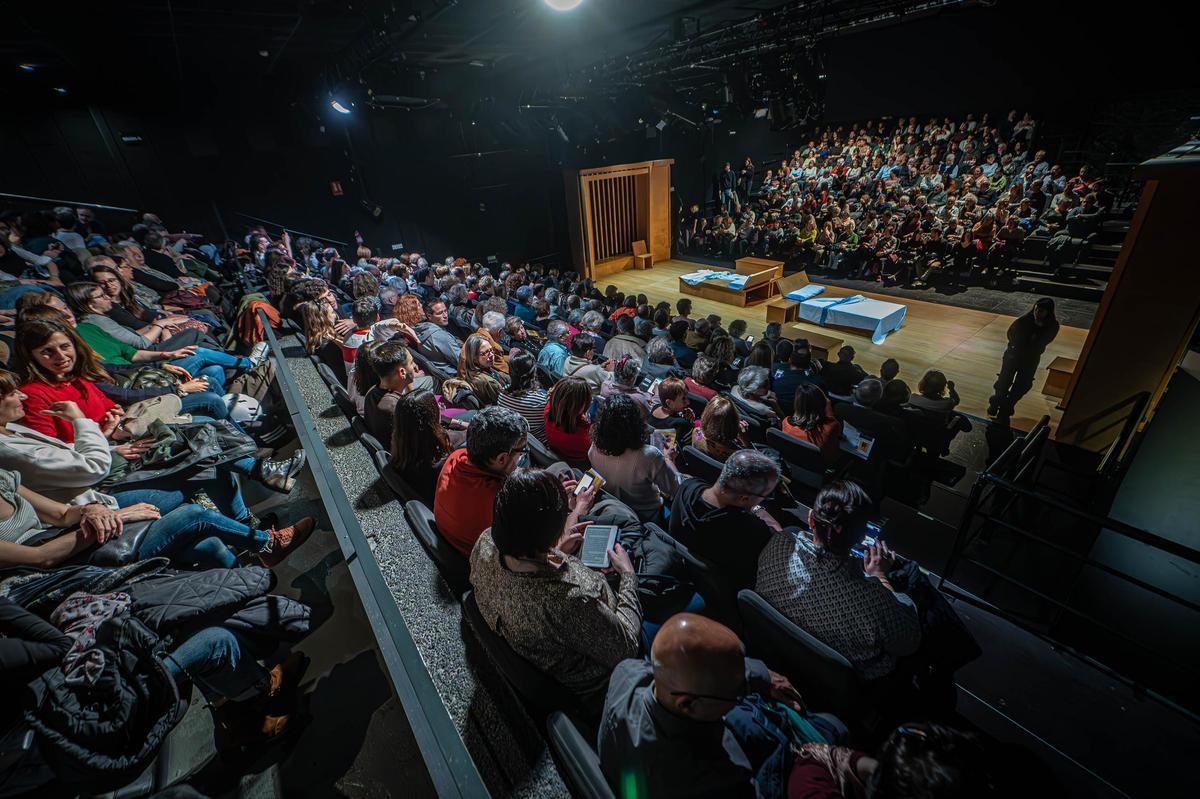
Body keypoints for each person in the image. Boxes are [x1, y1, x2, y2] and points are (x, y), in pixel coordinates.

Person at [469, 467, 633, 712]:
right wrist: (629, 577)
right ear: (554, 531)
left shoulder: (484, 542)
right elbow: (626, 647)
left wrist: (559, 553)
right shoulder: (568, 600)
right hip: (604, 681)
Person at [598, 613, 811, 799]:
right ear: (688, 704)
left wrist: (759, 676)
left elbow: (682, 664)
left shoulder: (624, 674)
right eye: (735, 695)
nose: (740, 697)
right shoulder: (716, 779)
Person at [757, 480, 920, 681]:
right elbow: (909, 643)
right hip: (838, 688)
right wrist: (879, 575)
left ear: (810, 519)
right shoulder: (874, 599)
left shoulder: (779, 544)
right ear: (861, 538)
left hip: (774, 657)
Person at [669, 450, 784, 591]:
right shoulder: (751, 530)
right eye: (767, 495)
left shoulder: (687, 488)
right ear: (744, 498)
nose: (766, 498)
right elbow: (777, 534)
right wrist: (758, 509)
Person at [433, 406, 528, 556]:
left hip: (453, 545)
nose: (522, 457)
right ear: (501, 458)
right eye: (522, 451)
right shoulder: (504, 499)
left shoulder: (455, 457)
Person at [589, 395, 682, 523]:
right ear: (635, 423)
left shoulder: (595, 444)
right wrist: (668, 459)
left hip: (613, 507)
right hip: (647, 515)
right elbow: (674, 489)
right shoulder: (650, 455)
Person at [988, 298, 1059, 422]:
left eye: (1041, 311)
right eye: (1036, 309)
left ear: (1048, 312)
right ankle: (996, 404)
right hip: (1013, 356)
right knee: (1003, 382)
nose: (1037, 312)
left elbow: (1043, 341)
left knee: (1022, 386)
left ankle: (1004, 408)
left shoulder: (1052, 325)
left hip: (1030, 359)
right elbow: (1011, 335)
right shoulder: (1024, 321)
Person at [389, 389, 454, 502]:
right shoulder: (439, 463)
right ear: (432, 417)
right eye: (436, 405)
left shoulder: (401, 450)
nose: (439, 407)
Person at [363, 340, 415, 442]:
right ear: (402, 372)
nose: (414, 367)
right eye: (411, 362)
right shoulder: (399, 408)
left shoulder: (371, 393)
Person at [495, 352, 549, 444]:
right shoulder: (541, 400)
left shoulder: (502, 394)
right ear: (533, 372)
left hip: (515, 440)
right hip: (538, 443)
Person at [782, 384, 843, 463]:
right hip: (824, 465)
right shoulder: (831, 426)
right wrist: (828, 407)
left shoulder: (786, 422)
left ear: (797, 403)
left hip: (797, 463)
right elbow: (833, 454)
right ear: (823, 403)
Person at [543, 376, 593, 464]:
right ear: (579, 407)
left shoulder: (547, 411)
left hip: (559, 456)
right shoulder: (585, 436)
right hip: (579, 465)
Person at [693, 395, 750, 463]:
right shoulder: (737, 456)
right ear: (734, 423)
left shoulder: (696, 432)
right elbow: (754, 463)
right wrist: (745, 440)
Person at [458, 333, 509, 406]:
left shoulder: (481, 368)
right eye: (485, 353)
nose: (491, 355)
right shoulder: (485, 381)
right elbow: (505, 402)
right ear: (474, 358)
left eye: (491, 350)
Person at [647, 377, 695, 449]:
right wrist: (690, 423)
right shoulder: (681, 424)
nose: (688, 402)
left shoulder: (654, 408)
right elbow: (692, 444)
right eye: (683, 399)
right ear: (669, 403)